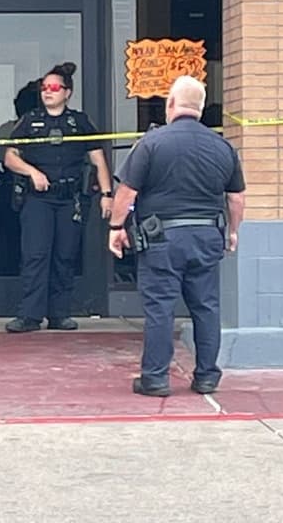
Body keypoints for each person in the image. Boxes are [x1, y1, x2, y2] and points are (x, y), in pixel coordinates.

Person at [109, 75, 246, 397]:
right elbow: (237, 197)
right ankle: (207, 377)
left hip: (162, 239)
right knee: (206, 307)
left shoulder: (152, 143)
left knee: (160, 308)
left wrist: (116, 228)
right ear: (200, 108)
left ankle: (155, 379)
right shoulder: (222, 145)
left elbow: (127, 192)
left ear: (171, 104)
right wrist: (233, 232)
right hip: (207, 236)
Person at [2, 62, 112, 333]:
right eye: (44, 88)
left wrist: (107, 194)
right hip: (38, 199)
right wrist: (32, 173)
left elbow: (98, 160)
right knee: (35, 255)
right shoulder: (29, 121)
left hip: (70, 198)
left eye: (53, 88)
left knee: (65, 256)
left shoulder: (80, 122)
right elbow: (9, 157)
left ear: (67, 92)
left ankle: (60, 314)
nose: (47, 92)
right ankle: (29, 316)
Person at [0, 79, 41, 276]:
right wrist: (7, 179)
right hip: (11, 196)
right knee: (11, 241)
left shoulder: (8, 128)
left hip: (34, 196)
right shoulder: (9, 129)